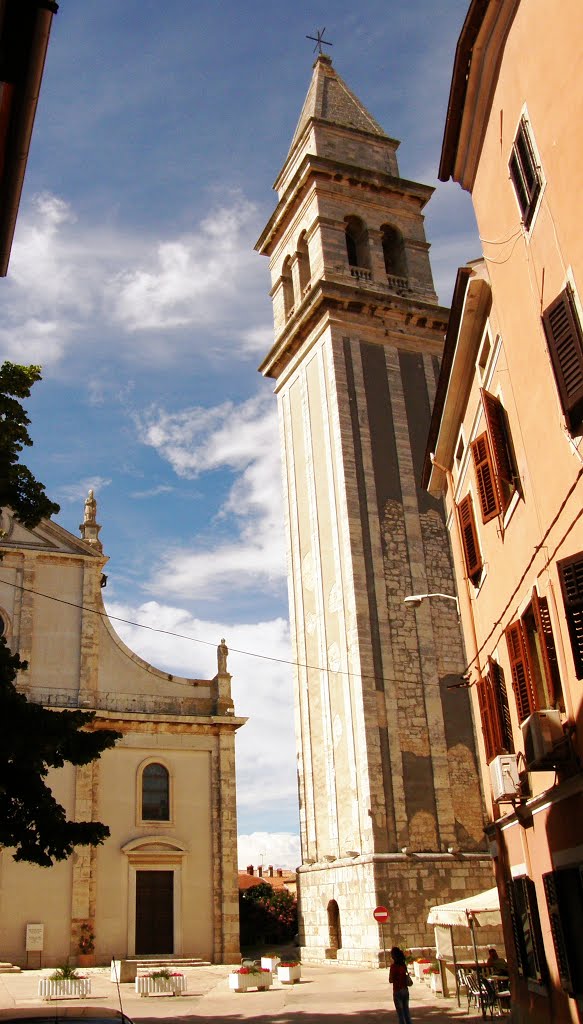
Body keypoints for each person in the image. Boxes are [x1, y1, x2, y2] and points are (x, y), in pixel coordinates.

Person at [389, 946, 413, 1024]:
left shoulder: (393, 967)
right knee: (407, 1013)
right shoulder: (403, 965)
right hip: (405, 990)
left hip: (397, 990)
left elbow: (391, 980)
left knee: (400, 1014)